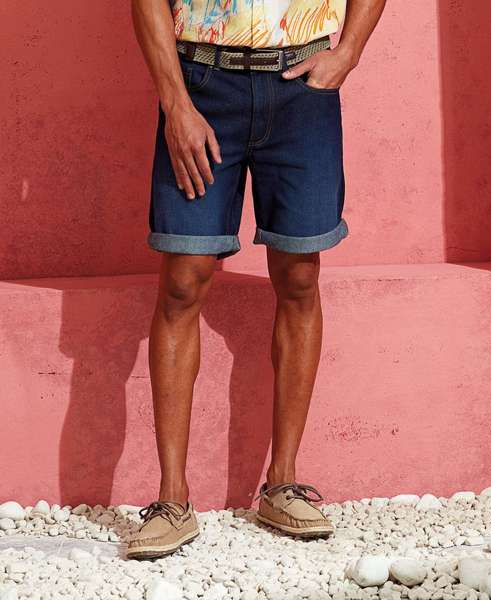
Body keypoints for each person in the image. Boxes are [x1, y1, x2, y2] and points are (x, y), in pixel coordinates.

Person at [128, 0, 385, 559]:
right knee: (183, 281)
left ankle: (282, 483)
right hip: (202, 81)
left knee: (299, 276)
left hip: (302, 92)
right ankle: (172, 499)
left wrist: (349, 52)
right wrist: (176, 103)